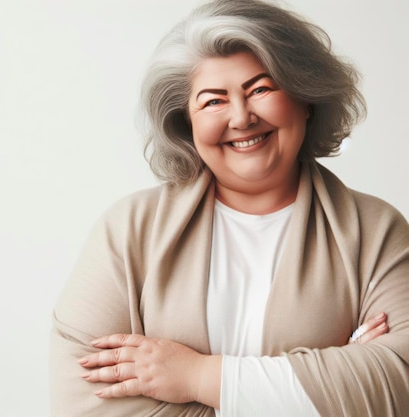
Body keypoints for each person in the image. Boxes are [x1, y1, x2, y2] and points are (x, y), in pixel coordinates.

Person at [49, 0, 409, 415]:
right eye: (213, 101)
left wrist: (196, 377)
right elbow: (81, 404)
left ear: (304, 98)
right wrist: (328, 384)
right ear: (187, 122)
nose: (241, 117)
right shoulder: (129, 230)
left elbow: (398, 385)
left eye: (261, 89)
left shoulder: (377, 231)